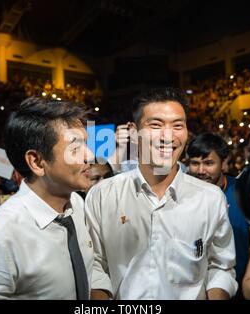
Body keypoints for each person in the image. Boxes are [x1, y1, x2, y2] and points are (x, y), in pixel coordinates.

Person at [85, 87, 237, 300]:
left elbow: (221, 266)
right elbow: (96, 266)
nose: (168, 136)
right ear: (134, 131)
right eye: (155, 125)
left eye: (178, 126)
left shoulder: (211, 198)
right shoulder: (102, 195)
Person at [0, 97, 97, 299]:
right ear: (37, 161)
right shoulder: (0, 236)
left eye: (86, 144)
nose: (89, 155)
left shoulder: (77, 203)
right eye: (75, 148)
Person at [187, 132, 250, 287]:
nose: (200, 170)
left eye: (208, 163)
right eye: (195, 163)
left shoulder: (243, 192)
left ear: (224, 163)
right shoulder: (181, 193)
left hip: (238, 285)